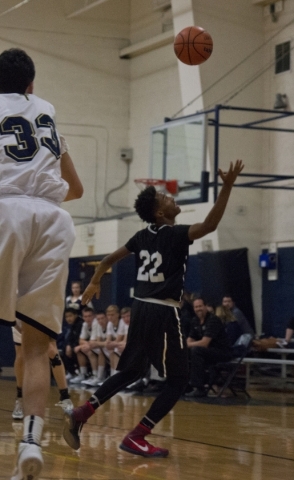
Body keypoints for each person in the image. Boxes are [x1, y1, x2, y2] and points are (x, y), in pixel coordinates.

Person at [63, 160, 244, 458]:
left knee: (132, 369)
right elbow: (210, 225)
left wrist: (95, 282)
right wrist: (226, 186)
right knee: (178, 380)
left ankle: (83, 411)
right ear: (161, 213)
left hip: (141, 308)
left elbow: (107, 260)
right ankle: (137, 435)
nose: (172, 198)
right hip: (162, 311)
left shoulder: (141, 236)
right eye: (166, 199)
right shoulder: (174, 234)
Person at [0, 48, 83, 480]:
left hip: (4, 212)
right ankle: (31, 442)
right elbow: (77, 189)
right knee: (36, 347)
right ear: (32, 85)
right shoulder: (48, 113)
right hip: (53, 220)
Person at [12, 321, 73, 420]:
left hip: (45, 311)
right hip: (22, 313)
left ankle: (65, 397)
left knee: (52, 351)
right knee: (21, 356)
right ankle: (20, 397)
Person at [186, 298, 233, 397]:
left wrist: (189, 345)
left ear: (205, 307)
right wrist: (187, 345)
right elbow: (190, 339)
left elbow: (204, 343)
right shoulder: (195, 321)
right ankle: (184, 385)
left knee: (196, 351)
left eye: (200, 306)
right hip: (207, 351)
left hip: (222, 352)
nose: (198, 309)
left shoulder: (213, 320)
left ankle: (199, 387)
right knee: (183, 351)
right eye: (196, 307)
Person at [61, 306, 84, 380]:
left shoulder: (80, 324)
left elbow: (78, 338)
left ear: (76, 315)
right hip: (76, 345)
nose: (68, 318)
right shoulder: (72, 325)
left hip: (82, 345)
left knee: (74, 349)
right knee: (65, 348)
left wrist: (71, 346)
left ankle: (80, 373)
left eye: (70, 316)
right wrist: (68, 345)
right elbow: (70, 338)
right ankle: (71, 372)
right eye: (66, 317)